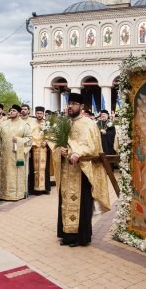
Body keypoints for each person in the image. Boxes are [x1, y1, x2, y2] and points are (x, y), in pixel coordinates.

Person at [53, 93, 110, 247]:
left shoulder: (89, 124)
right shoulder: (64, 123)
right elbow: (56, 143)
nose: (70, 106)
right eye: (69, 103)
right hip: (67, 170)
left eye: (74, 103)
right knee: (65, 201)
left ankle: (80, 237)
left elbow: (92, 145)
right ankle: (67, 235)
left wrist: (77, 152)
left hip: (82, 171)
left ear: (82, 106)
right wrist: (60, 150)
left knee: (82, 204)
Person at [0, 105, 32, 200]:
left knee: (16, 174)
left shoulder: (24, 125)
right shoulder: (3, 124)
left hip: (17, 155)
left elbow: (29, 139)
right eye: (10, 110)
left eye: (14, 111)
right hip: (5, 155)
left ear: (19, 113)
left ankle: (17, 194)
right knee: (5, 174)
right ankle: (3, 194)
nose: (11, 112)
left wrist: (19, 140)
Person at [28, 106, 51, 195]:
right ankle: (35, 189)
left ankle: (45, 188)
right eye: (37, 113)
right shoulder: (31, 123)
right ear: (35, 113)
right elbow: (29, 135)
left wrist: (46, 141)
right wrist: (34, 142)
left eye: (41, 113)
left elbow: (51, 135)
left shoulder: (47, 123)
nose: (39, 115)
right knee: (34, 168)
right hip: (34, 148)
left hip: (44, 149)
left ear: (43, 114)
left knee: (45, 169)